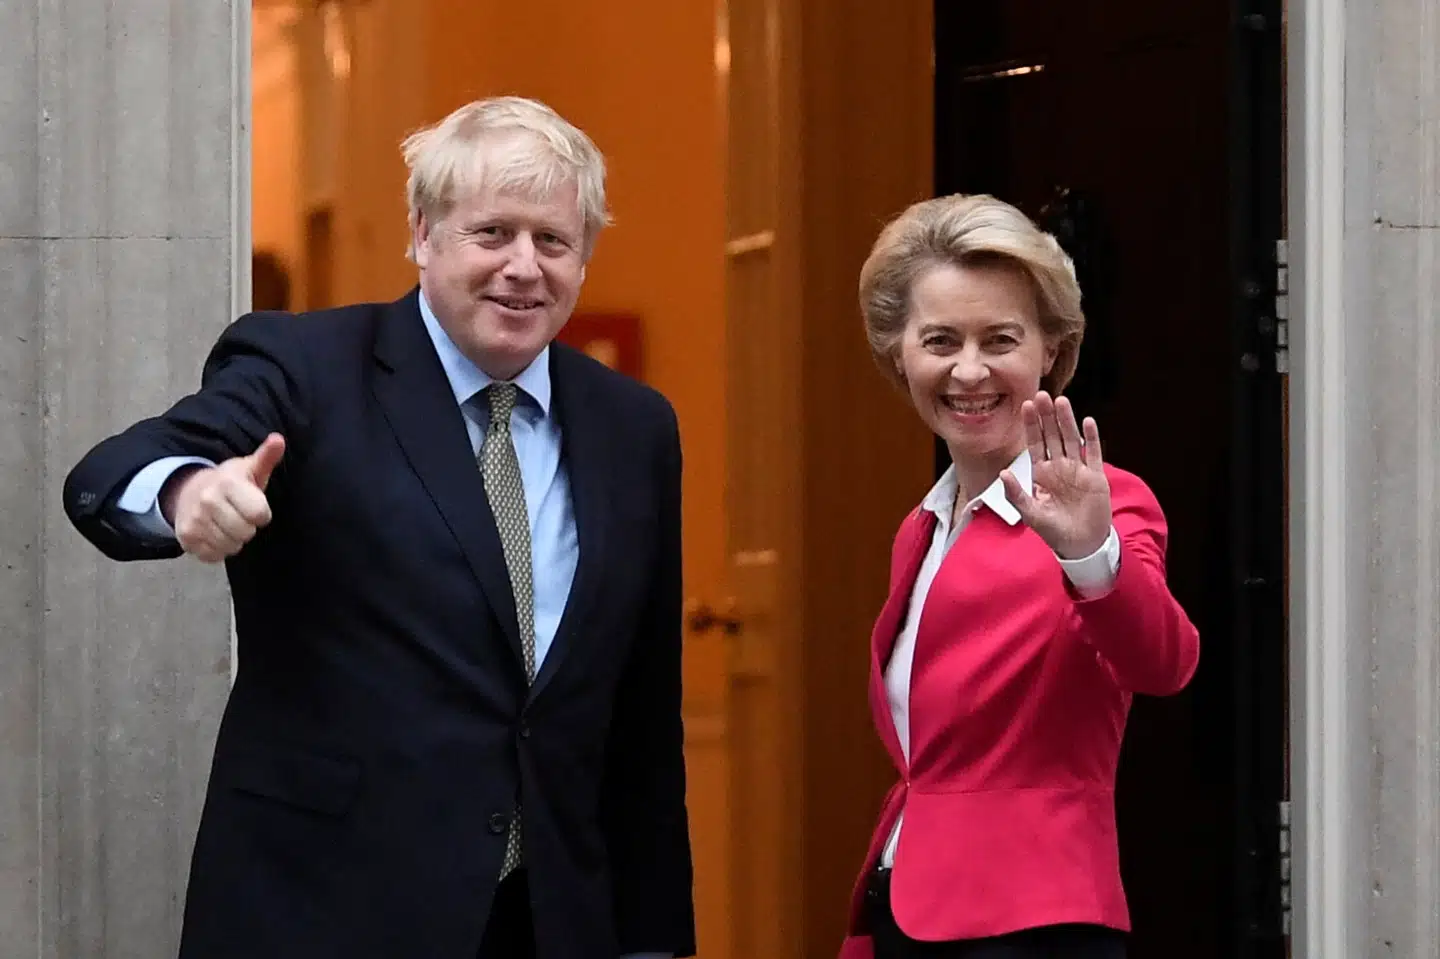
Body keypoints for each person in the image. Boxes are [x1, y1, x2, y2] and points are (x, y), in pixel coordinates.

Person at [62, 96, 694, 959]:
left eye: (553, 240)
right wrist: (188, 495)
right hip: (328, 908)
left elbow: (641, 719)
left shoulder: (634, 428)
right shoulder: (307, 368)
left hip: (550, 919)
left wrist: (651, 941)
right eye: (492, 233)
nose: (524, 267)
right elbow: (114, 469)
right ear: (422, 233)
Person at [837, 194, 1201, 959]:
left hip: (1034, 923)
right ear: (899, 354)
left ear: (1050, 351)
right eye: (940, 340)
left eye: (1000, 339)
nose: (969, 370)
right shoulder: (922, 527)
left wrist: (1090, 554)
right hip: (908, 911)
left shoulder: (1105, 502)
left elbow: (1162, 662)